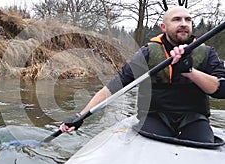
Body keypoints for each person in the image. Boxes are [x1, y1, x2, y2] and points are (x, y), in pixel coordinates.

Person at [59, 6, 225, 143]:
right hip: (156, 117)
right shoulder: (147, 53)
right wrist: (81, 115)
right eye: (176, 19)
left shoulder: (207, 53)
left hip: (194, 118)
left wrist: (190, 72)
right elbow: (115, 86)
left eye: (187, 20)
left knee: (202, 144)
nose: (183, 24)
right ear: (164, 27)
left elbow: (221, 90)